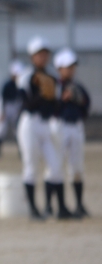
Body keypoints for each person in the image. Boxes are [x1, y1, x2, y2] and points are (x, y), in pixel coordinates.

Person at [16, 36, 74, 220]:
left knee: (55, 167)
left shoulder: (52, 78)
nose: (43, 57)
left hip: (46, 125)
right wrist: (41, 95)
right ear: (32, 56)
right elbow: (25, 105)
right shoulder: (26, 76)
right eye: (39, 54)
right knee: (31, 166)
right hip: (29, 124)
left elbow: (55, 107)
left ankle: (58, 208)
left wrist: (60, 99)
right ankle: (33, 210)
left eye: (45, 54)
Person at [52, 48, 91, 218]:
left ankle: (79, 205)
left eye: (72, 67)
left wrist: (79, 100)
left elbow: (86, 106)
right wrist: (63, 99)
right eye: (67, 67)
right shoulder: (55, 87)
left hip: (76, 127)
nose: (71, 70)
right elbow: (50, 108)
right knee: (57, 166)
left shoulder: (78, 86)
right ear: (59, 68)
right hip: (60, 126)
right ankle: (59, 206)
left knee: (77, 167)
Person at [0, 60, 24, 158]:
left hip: (15, 106)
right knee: (1, 128)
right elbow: (2, 99)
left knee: (18, 129)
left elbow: (21, 100)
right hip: (5, 105)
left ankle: (21, 152)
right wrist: (2, 112)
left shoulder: (21, 85)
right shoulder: (7, 85)